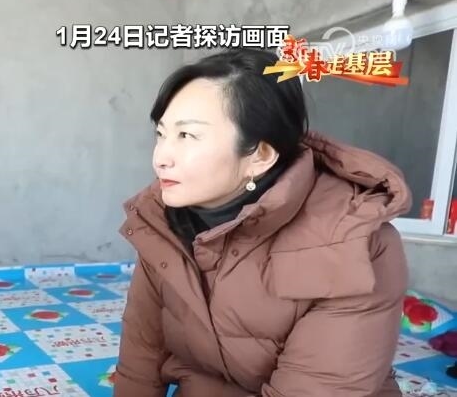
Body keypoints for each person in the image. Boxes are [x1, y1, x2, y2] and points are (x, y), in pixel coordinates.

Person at [114, 48, 410, 397]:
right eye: (161, 134)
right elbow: (142, 353)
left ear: (260, 155)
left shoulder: (353, 243)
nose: (160, 158)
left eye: (187, 136)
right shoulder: (161, 221)